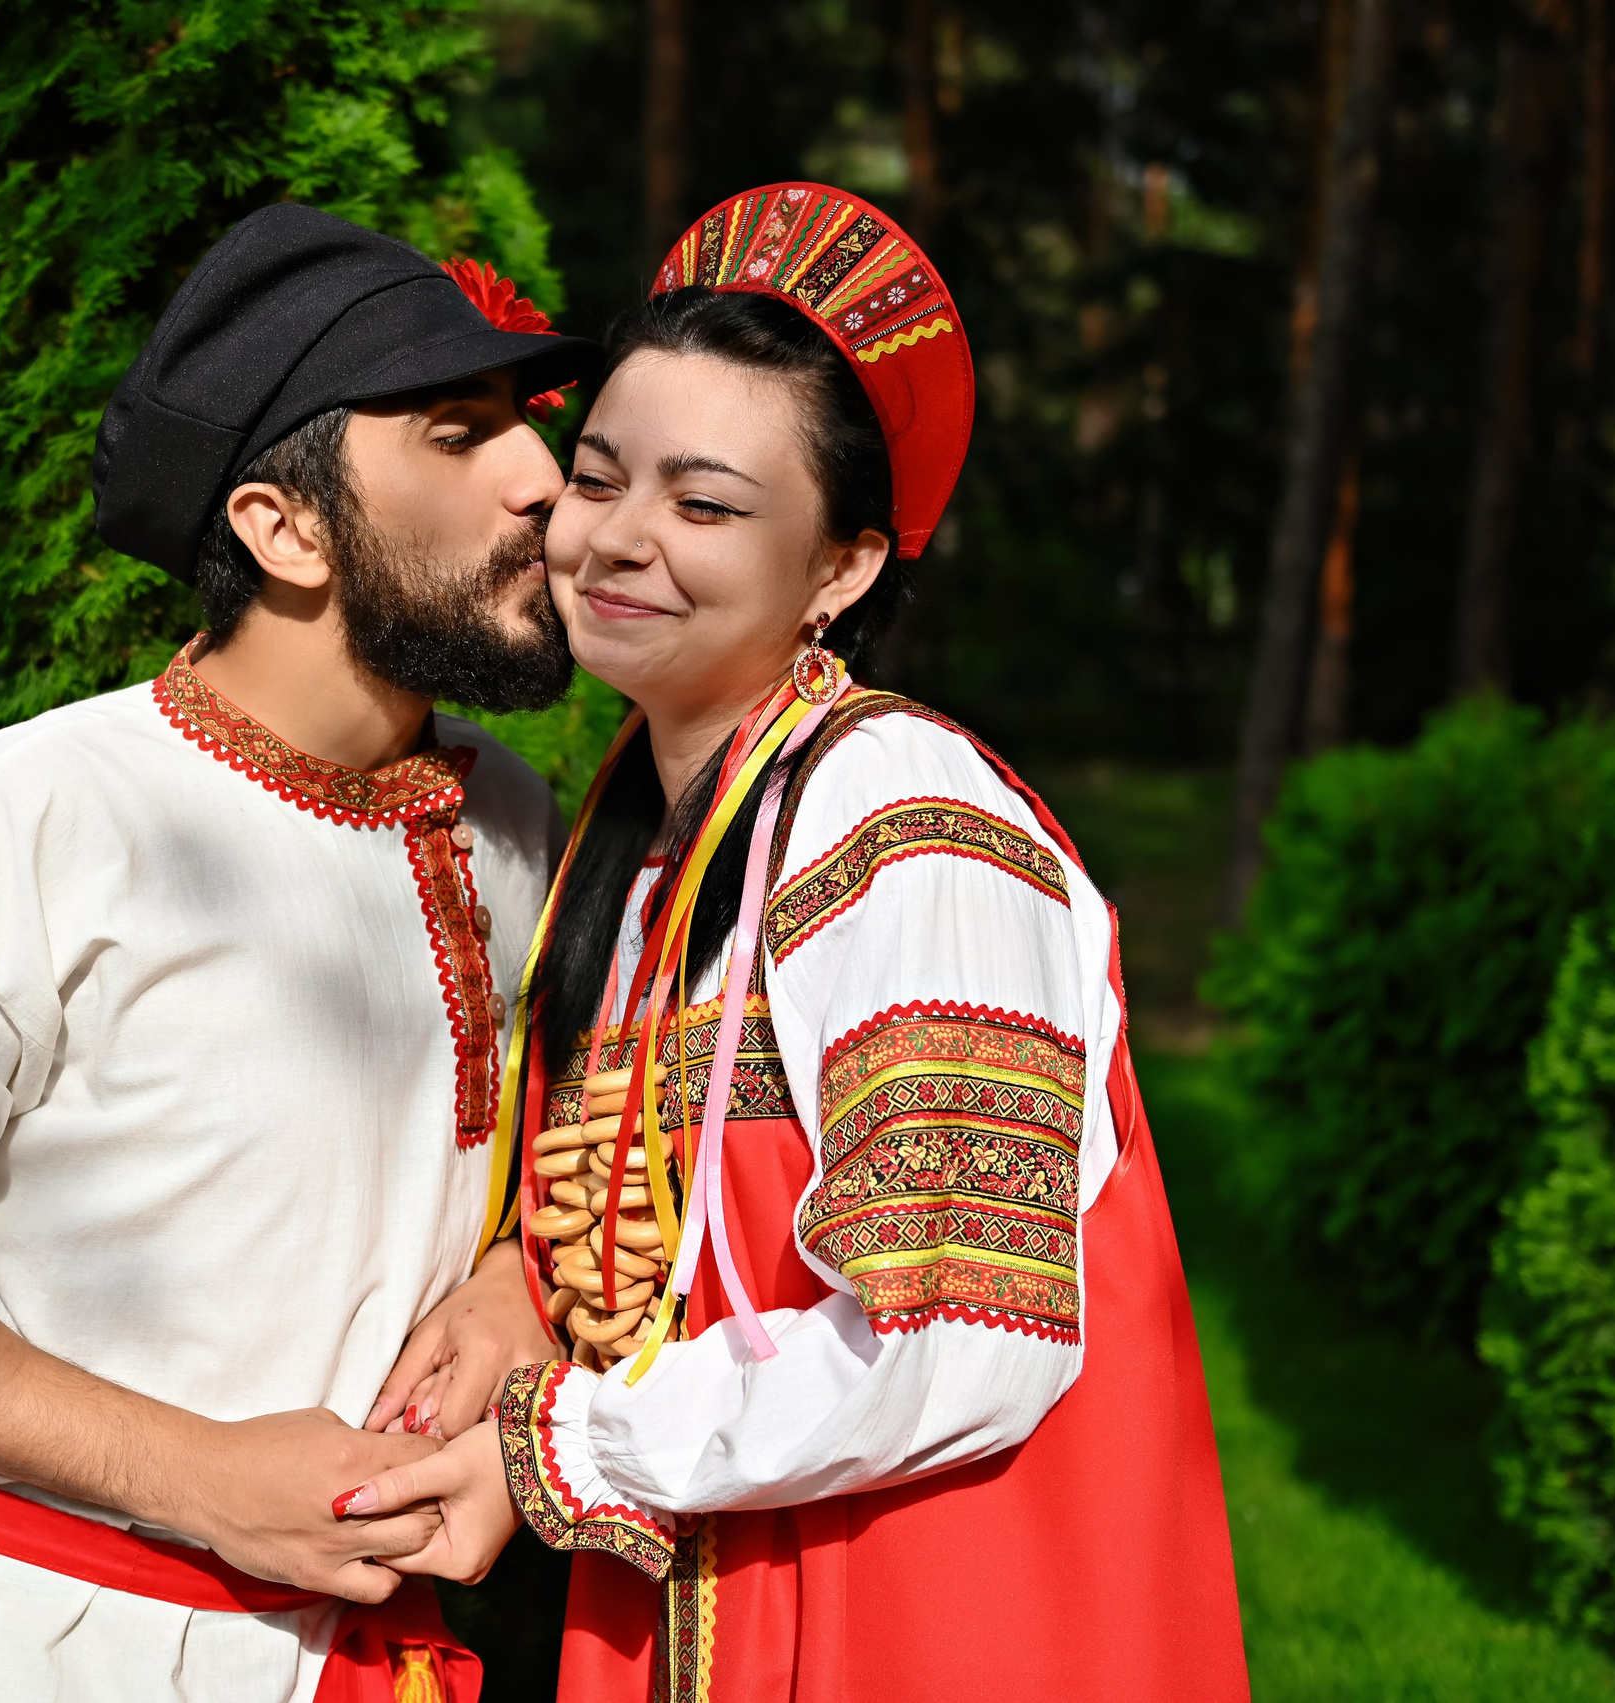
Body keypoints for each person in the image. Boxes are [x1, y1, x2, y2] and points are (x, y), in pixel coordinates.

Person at [351, 183, 1250, 1700]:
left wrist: (559, 1447)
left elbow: (959, 1329)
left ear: (841, 569)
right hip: (713, 1594)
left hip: (925, 1624)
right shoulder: (640, 841)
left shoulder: (912, 827)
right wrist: (524, 1276)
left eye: (705, 506)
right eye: (599, 478)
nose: (622, 540)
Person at [0, 203, 599, 1703]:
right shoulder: (44, 810)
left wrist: (513, 1280)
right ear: (282, 526)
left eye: (524, 423)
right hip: (55, 1652)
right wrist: (199, 1479)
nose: (541, 480)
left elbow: (553, 1153)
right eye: (457, 432)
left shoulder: (510, 815)